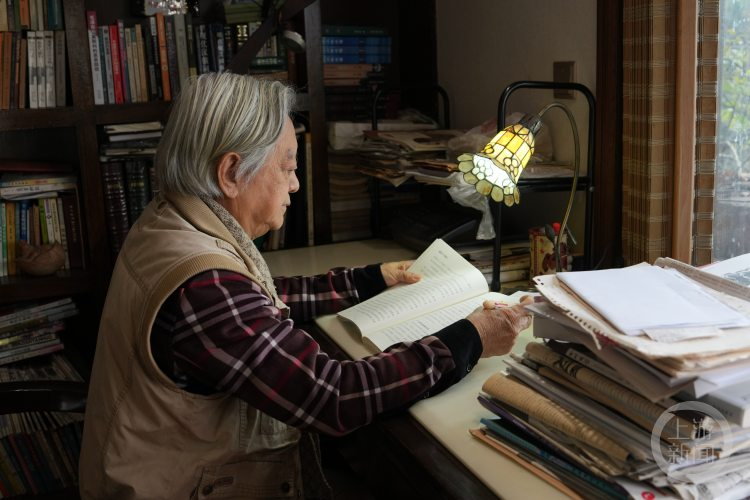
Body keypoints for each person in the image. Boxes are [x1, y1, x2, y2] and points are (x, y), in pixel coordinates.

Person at [78, 72, 533, 500]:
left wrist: (368, 279)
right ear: (231, 173)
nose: (295, 185)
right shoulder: (206, 287)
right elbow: (334, 397)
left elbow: (252, 300)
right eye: (287, 167)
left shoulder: (170, 219)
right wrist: (470, 337)